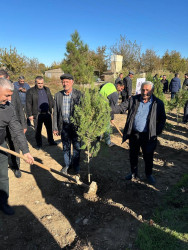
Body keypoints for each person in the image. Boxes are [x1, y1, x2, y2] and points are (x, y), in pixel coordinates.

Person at [112, 81, 166, 185]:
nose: (144, 92)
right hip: (134, 134)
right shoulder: (133, 100)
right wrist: (106, 109)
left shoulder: (158, 103)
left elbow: (162, 119)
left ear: (152, 91)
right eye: (143, 90)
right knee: (133, 155)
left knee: (148, 156)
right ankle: (133, 173)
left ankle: (149, 174)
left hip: (149, 135)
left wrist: (156, 132)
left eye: (147, 90)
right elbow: (120, 108)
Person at [0, 78, 34, 215]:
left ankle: (3, 203)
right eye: (6, 95)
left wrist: (25, 151)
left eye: (10, 96)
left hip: (1, 146)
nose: (9, 99)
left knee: (2, 176)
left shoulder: (8, 108)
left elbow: (17, 130)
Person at [53, 73, 82, 175]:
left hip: (76, 127)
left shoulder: (79, 95)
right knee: (66, 147)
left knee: (77, 147)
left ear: (72, 82)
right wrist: (55, 127)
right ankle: (67, 165)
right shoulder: (58, 95)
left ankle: (76, 167)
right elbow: (55, 112)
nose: (65, 84)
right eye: (63, 82)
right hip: (64, 126)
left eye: (67, 82)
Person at [0, 70, 27, 178]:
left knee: (14, 145)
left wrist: (24, 124)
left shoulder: (14, 91)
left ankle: (16, 167)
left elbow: (19, 108)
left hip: (12, 122)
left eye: (2, 78)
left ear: (8, 77)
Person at [26, 76, 56, 149]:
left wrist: (54, 107)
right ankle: (39, 144)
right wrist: (30, 114)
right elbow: (28, 103)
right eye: (39, 83)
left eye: (42, 83)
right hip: (37, 114)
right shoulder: (31, 91)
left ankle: (51, 141)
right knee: (38, 130)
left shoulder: (47, 89)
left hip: (47, 113)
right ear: (35, 83)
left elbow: (51, 100)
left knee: (49, 128)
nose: (40, 85)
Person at [99, 80, 124, 146]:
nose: (121, 90)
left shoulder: (109, 83)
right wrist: (112, 117)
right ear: (118, 85)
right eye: (121, 88)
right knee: (107, 127)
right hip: (105, 109)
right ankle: (108, 142)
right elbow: (112, 108)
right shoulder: (114, 94)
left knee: (99, 123)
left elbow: (101, 87)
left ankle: (99, 137)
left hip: (98, 105)